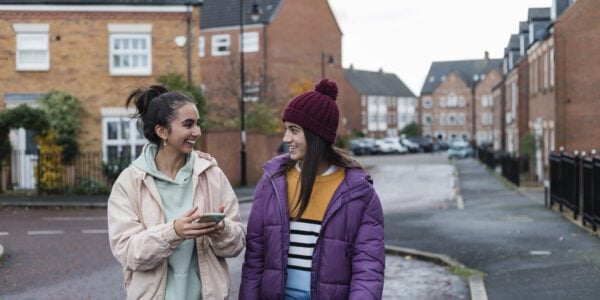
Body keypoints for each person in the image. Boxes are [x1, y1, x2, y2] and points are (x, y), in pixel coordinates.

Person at [240, 79, 385, 299]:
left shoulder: (359, 192)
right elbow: (255, 258)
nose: (286, 138)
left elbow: (368, 267)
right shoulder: (272, 183)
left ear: (317, 135)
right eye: (286, 129)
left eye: (294, 130)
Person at [107, 85, 245, 299]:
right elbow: (129, 253)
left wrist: (222, 230)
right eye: (188, 125)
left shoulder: (212, 174)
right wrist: (174, 232)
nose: (197, 132)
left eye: (198, 124)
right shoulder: (130, 182)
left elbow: (236, 245)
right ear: (162, 131)